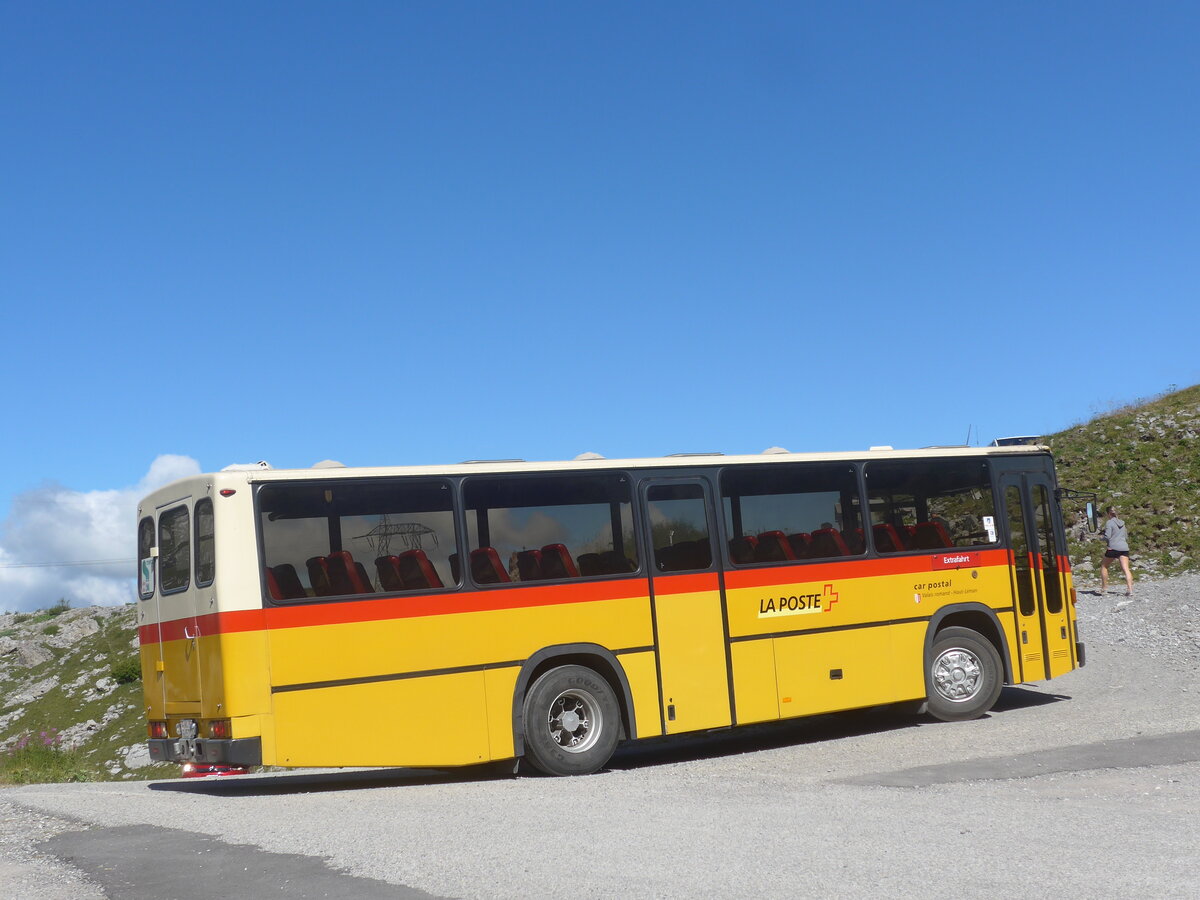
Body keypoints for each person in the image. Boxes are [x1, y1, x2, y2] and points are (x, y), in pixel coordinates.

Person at [1099, 506, 1134, 596]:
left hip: (1113, 548)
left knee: (1104, 566)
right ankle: (1130, 590)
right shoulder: (1123, 523)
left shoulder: (1109, 523)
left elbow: (1107, 536)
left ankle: (1104, 588)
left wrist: (1101, 539)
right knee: (1126, 569)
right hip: (1124, 548)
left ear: (1108, 514)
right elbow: (1126, 536)